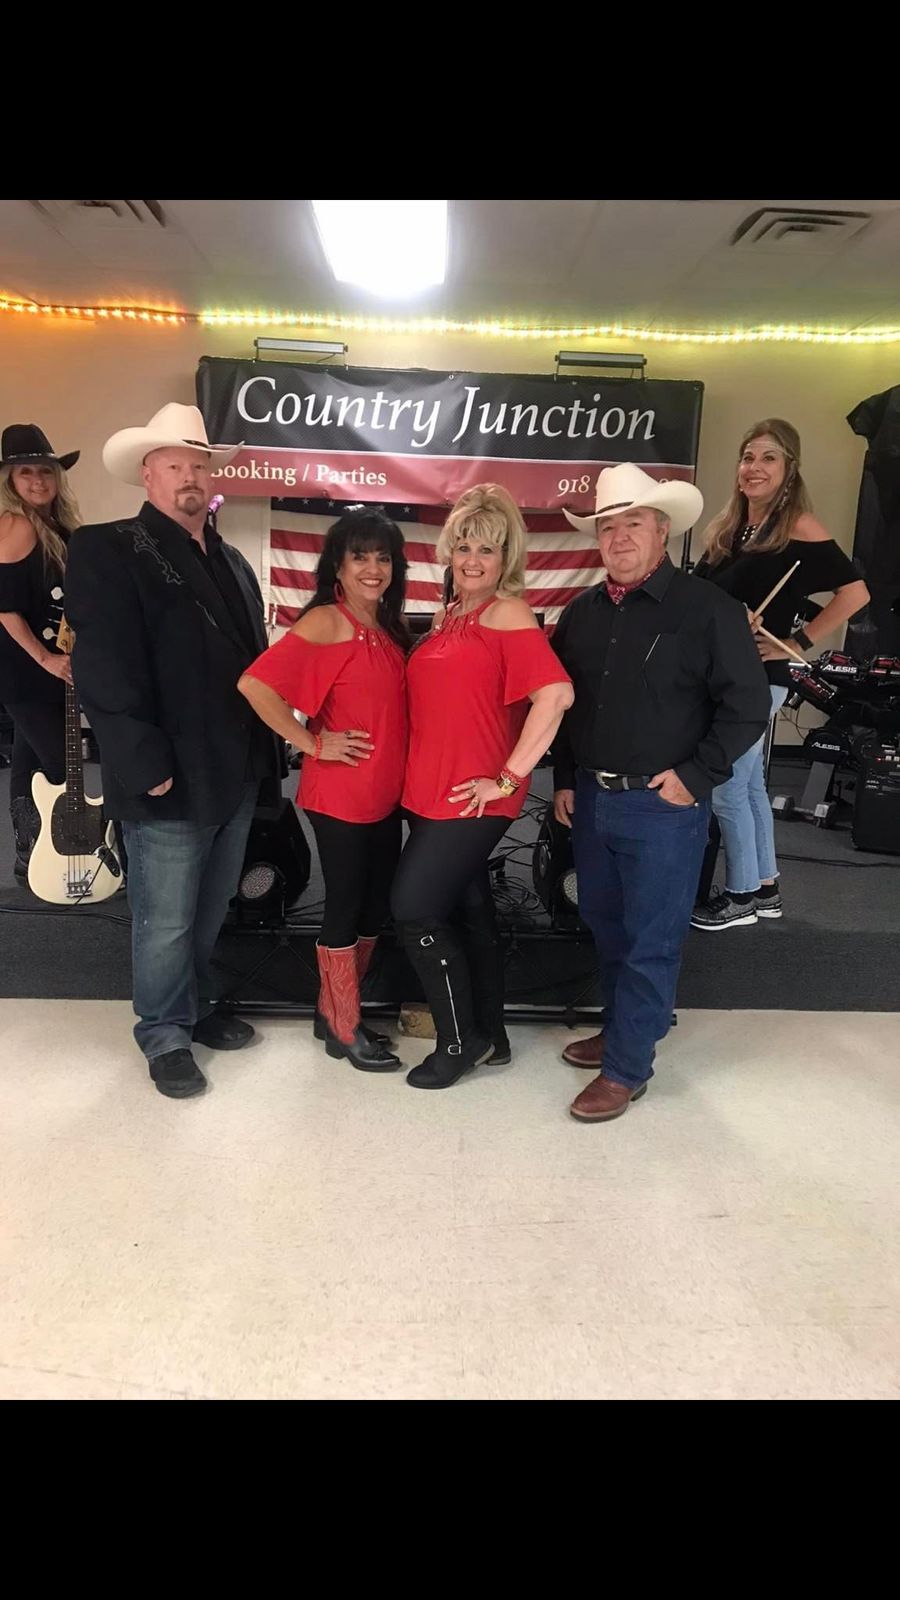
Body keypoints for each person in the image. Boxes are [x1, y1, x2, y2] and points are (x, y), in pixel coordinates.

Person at [65, 403, 283, 1100]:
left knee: (210, 908)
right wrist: (140, 762)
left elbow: (253, 667)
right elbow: (101, 667)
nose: (190, 475)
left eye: (199, 464)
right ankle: (163, 1033)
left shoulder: (233, 562)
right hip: (165, 772)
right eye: (175, 465)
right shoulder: (107, 548)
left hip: (236, 769)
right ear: (148, 474)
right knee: (164, 919)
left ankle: (195, 1004)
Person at [552, 462, 770, 1123]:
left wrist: (697, 776)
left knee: (652, 937)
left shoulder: (708, 610)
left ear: (662, 530)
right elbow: (565, 705)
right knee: (606, 925)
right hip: (592, 800)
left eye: (634, 524)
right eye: (608, 527)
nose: (619, 538)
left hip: (664, 805)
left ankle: (627, 1067)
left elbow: (748, 705)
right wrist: (563, 779)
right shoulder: (581, 614)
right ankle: (626, 1027)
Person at [391, 483, 573, 1090]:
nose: (472, 560)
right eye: (464, 546)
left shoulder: (506, 613)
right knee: (468, 910)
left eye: (487, 550)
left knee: (414, 909)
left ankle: (459, 1041)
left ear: (505, 559)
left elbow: (556, 695)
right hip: (429, 789)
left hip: (472, 794)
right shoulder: (450, 615)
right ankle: (491, 1034)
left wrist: (508, 777)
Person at [238, 507, 409, 1072]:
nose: (373, 568)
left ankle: (333, 1010)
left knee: (375, 906)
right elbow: (255, 685)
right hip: (341, 793)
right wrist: (311, 743)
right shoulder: (327, 622)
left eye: (383, 557)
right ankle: (344, 1026)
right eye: (360, 556)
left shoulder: (385, 626)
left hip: (384, 794)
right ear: (337, 564)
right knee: (346, 905)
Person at [691, 419, 869, 930]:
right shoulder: (731, 528)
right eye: (748, 457)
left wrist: (799, 642)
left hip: (760, 675)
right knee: (748, 786)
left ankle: (740, 896)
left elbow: (856, 593)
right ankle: (765, 888)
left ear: (790, 468)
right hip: (724, 673)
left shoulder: (799, 527)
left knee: (727, 786)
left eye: (768, 457)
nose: (754, 467)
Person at [0, 425, 82, 880]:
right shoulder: (17, 525)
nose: (37, 480)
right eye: (25, 472)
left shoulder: (57, 525)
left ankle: (29, 854)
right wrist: (45, 658)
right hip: (25, 667)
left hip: (48, 664)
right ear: (10, 480)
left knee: (30, 758)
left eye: (45, 471)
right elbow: (4, 607)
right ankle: (64, 851)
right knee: (60, 764)